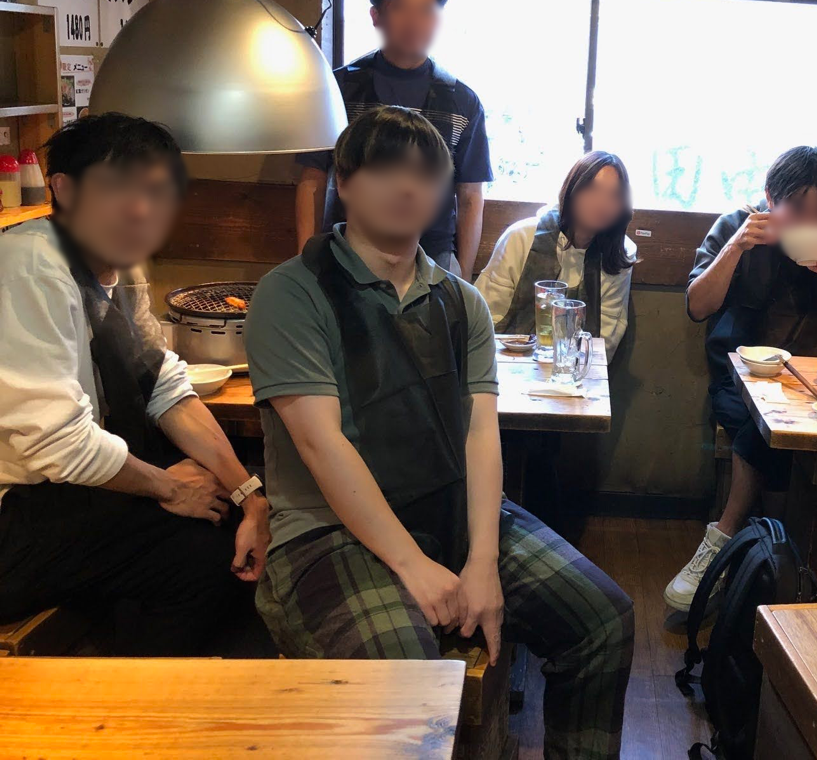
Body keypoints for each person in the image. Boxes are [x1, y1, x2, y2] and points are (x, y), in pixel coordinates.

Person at [248, 106, 634, 758]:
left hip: (449, 512)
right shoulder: (292, 292)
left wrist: (481, 562)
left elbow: (481, 433)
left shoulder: (462, 301)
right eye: (385, 169)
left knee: (603, 619)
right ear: (345, 180)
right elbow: (320, 443)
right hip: (328, 535)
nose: (408, 187)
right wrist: (412, 565)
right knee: (412, 680)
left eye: (426, 173)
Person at [0, 114, 270, 654]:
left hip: (69, 494)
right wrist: (171, 488)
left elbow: (164, 386)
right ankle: (134, 697)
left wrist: (251, 496)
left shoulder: (122, 268)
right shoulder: (30, 264)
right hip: (17, 513)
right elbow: (60, 443)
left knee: (237, 510)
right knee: (204, 559)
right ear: (64, 189)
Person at [664, 146, 817, 612]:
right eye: (796, 210)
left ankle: (733, 543)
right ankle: (782, 560)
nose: (810, 222)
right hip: (739, 376)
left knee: (784, 426)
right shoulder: (736, 226)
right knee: (765, 428)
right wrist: (736, 246)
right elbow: (698, 306)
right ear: (769, 198)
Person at [295, 0, 491, 276]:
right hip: (348, 253)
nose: (414, 21)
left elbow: (470, 195)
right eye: (399, 7)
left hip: (433, 258)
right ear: (376, 16)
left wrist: (463, 279)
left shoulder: (462, 101)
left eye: (426, 10)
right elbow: (312, 181)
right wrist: (306, 265)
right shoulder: (338, 89)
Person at [476, 151, 638, 361]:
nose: (602, 203)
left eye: (614, 195)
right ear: (571, 190)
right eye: (593, 189)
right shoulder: (521, 237)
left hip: (576, 368)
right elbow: (486, 314)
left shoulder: (621, 253)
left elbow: (606, 336)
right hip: (505, 360)